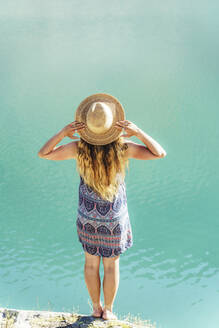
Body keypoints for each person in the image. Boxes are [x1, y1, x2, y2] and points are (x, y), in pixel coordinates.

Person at [38, 93, 167, 320]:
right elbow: (159, 153)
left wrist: (62, 133)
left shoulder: (78, 148)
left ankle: (95, 307)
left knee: (90, 264)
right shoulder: (123, 148)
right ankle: (108, 311)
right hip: (114, 218)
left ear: (87, 124)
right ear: (112, 125)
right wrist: (138, 133)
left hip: (88, 216)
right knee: (111, 266)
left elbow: (44, 153)